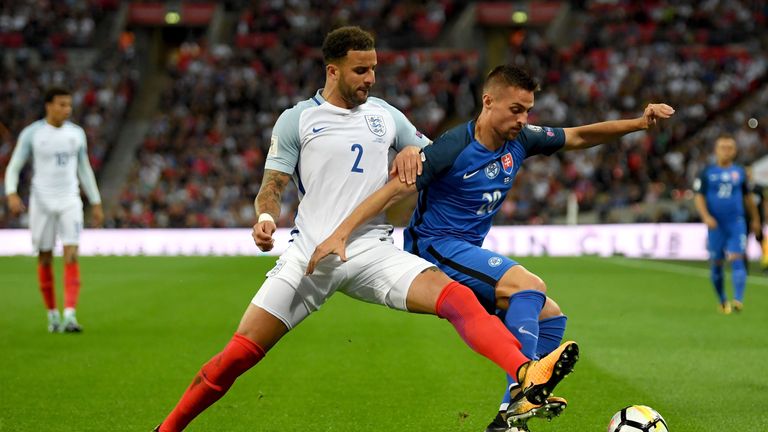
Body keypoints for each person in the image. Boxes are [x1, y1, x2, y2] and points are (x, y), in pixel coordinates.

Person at [153, 27, 578, 432]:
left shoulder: (385, 115)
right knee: (238, 355)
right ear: (332, 70)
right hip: (311, 256)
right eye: (360, 70)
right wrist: (266, 218)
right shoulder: (297, 120)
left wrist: (410, 149)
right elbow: (273, 185)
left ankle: (525, 373)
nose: (370, 78)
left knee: (458, 298)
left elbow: (431, 154)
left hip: (374, 250)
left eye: (373, 68)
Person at [307, 65, 674, 431]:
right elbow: (393, 191)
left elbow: (577, 136)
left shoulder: (522, 140)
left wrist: (638, 123)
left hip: (465, 249)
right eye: (515, 110)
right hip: (434, 247)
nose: (523, 119)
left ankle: (507, 420)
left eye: (527, 110)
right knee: (528, 285)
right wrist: (343, 233)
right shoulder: (452, 148)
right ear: (488, 102)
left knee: (550, 316)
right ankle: (525, 386)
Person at [4, 86, 104, 333]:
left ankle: (70, 314)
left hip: (70, 199)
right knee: (45, 256)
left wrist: (96, 201)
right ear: (48, 106)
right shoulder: (33, 133)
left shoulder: (76, 134)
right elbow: (14, 165)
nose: (66, 109)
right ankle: (52, 315)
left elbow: (84, 168)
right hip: (42, 202)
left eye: (69, 105)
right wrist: (11, 192)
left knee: (72, 253)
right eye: (61, 104)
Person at [694, 135, 760, 313]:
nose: (726, 151)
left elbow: (748, 198)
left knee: (737, 258)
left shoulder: (740, 172)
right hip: (716, 224)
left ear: (735, 151)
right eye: (722, 147)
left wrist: (755, 219)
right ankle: (723, 300)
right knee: (717, 263)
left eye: (730, 147)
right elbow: (699, 197)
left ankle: (738, 300)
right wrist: (706, 216)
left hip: (736, 222)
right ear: (716, 150)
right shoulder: (707, 172)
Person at [744, 165, 768, 273]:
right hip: (745, 219)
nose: (747, 175)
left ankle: (766, 264)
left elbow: (764, 203)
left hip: (758, 219)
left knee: (761, 240)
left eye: (749, 172)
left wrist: (765, 216)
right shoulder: (741, 188)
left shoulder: (759, 188)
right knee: (744, 242)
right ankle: (744, 265)